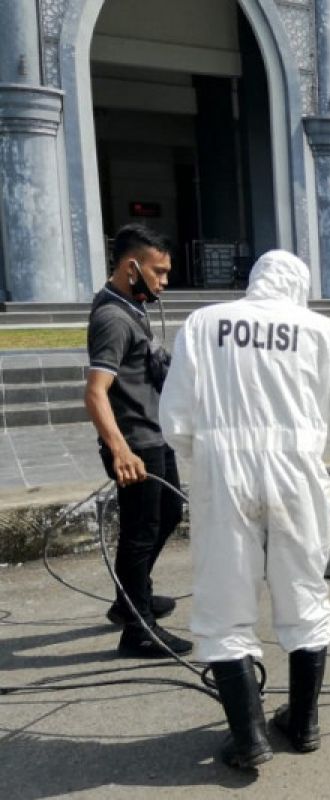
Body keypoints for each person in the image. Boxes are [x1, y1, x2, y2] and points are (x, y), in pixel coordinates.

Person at [160, 250, 330, 769]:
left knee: (224, 602)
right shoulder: (319, 330)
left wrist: (207, 456)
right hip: (297, 470)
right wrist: (306, 446)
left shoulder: (204, 324)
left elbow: (176, 416)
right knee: (304, 591)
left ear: (254, 281)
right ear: (297, 286)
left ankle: (248, 739)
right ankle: (305, 723)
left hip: (224, 472)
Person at [83, 224, 192, 658]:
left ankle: (130, 598)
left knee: (169, 512)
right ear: (132, 266)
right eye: (158, 271)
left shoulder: (133, 306)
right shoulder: (112, 317)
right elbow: (94, 392)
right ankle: (138, 629)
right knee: (140, 532)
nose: (164, 281)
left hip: (154, 433)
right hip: (135, 443)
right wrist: (120, 449)